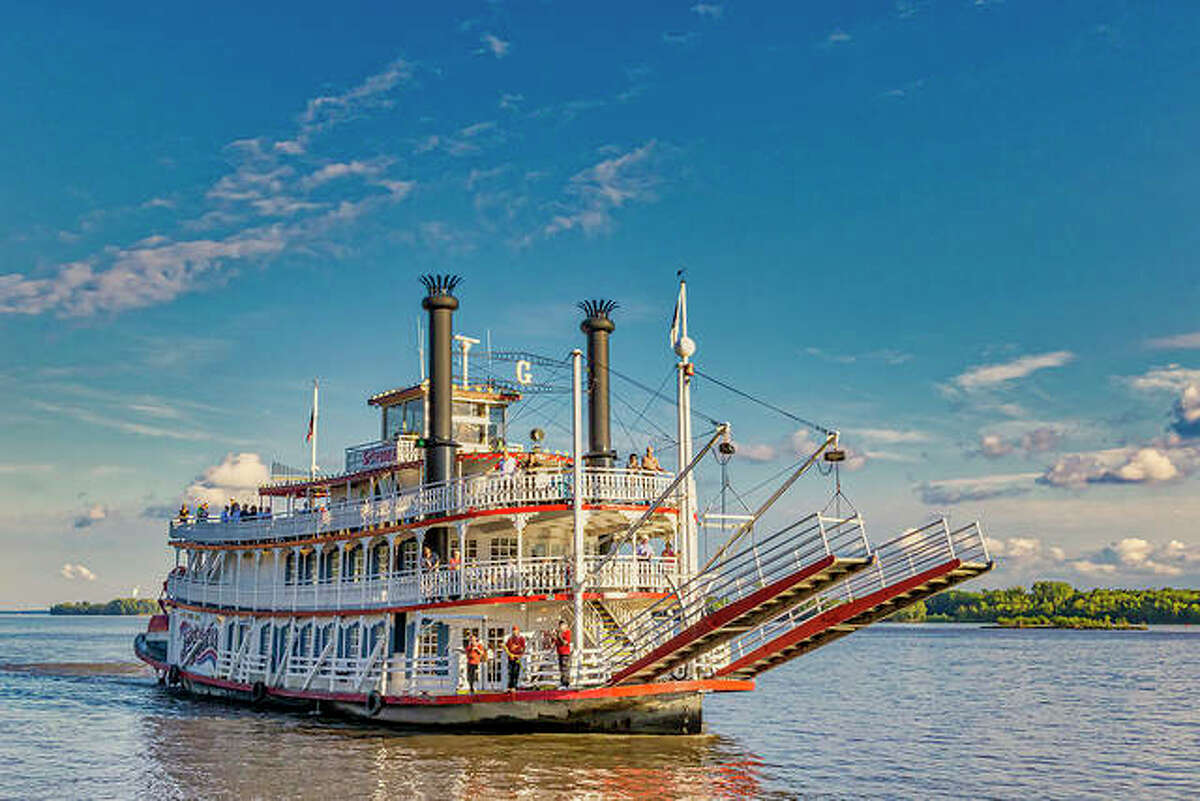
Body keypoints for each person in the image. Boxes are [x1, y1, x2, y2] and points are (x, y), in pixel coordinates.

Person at [504, 625, 526, 692]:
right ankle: (509, 687)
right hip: (511, 658)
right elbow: (507, 648)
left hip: (517, 658)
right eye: (513, 631)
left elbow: (523, 648)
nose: (514, 632)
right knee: (510, 672)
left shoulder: (521, 639)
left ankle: (514, 686)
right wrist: (509, 654)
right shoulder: (510, 639)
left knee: (516, 672)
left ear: (518, 631)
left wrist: (519, 655)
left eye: (516, 631)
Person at [553, 619, 572, 688]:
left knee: (565, 668)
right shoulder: (560, 633)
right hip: (560, 653)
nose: (560, 627)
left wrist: (559, 636)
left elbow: (565, 642)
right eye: (560, 625)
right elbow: (555, 643)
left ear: (565, 626)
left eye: (562, 625)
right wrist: (554, 637)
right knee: (561, 669)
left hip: (565, 653)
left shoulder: (567, 632)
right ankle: (563, 682)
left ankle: (566, 683)